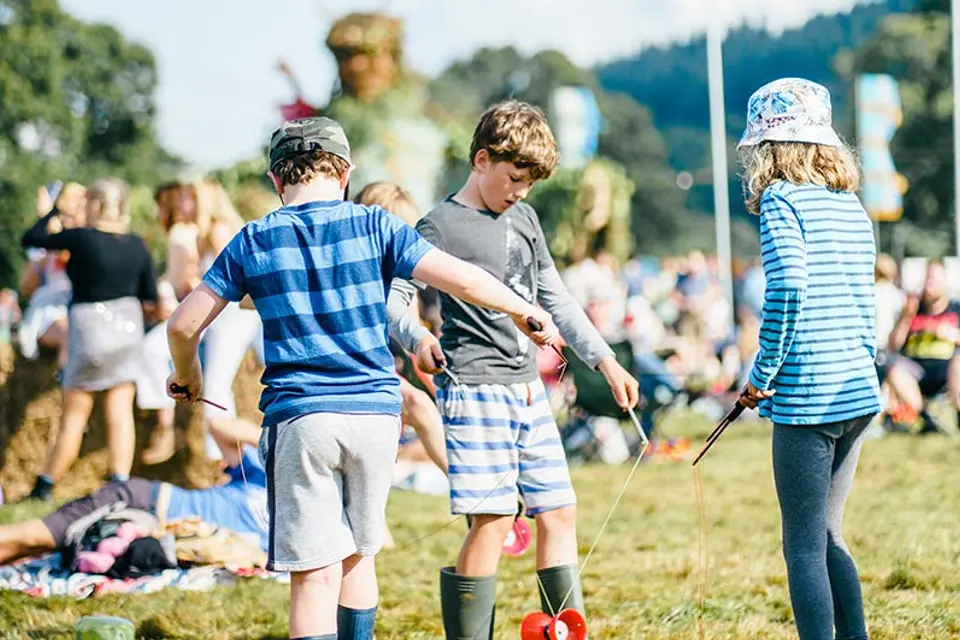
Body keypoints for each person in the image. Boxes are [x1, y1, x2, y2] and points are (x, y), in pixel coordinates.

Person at [164, 115, 559, 640]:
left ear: (276, 180)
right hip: (376, 417)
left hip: (302, 419)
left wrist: (188, 376)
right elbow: (462, 277)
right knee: (358, 557)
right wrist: (520, 309)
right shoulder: (377, 226)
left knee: (313, 578)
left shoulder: (254, 239)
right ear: (345, 173)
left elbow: (182, 323)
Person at [387, 100, 640, 640]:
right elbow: (394, 300)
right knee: (494, 521)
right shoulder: (438, 225)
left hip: (529, 392)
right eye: (514, 178)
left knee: (559, 511)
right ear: (481, 159)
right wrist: (418, 336)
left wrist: (606, 360)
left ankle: (563, 630)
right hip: (474, 390)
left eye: (530, 182)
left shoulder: (524, 218)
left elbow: (555, 297)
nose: (521, 191)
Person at [737, 78, 881, 640]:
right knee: (829, 535)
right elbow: (864, 300)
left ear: (769, 148)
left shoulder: (780, 200)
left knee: (801, 544)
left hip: (808, 398)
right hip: (857, 391)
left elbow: (789, 288)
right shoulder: (851, 206)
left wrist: (760, 374)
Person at [21, 178, 158, 502]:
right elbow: (149, 296)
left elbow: (32, 238)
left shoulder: (82, 238)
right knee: (120, 412)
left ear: (95, 206)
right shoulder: (138, 244)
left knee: (74, 416)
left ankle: (45, 485)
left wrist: (54, 209)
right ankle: (120, 482)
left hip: (89, 329)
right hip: (127, 329)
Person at [0, 419, 267, 565]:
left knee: (31, 550)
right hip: (140, 502)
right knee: (36, 537)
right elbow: (220, 424)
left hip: (148, 534)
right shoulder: (262, 475)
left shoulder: (293, 534)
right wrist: (274, 442)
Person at [883, 260, 959, 434]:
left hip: (947, 371)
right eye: (927, 279)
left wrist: (952, 335)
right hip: (916, 372)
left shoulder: (956, 309)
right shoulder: (914, 310)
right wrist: (906, 317)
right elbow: (893, 346)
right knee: (891, 365)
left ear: (945, 282)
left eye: (934, 279)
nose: (929, 284)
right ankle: (925, 417)